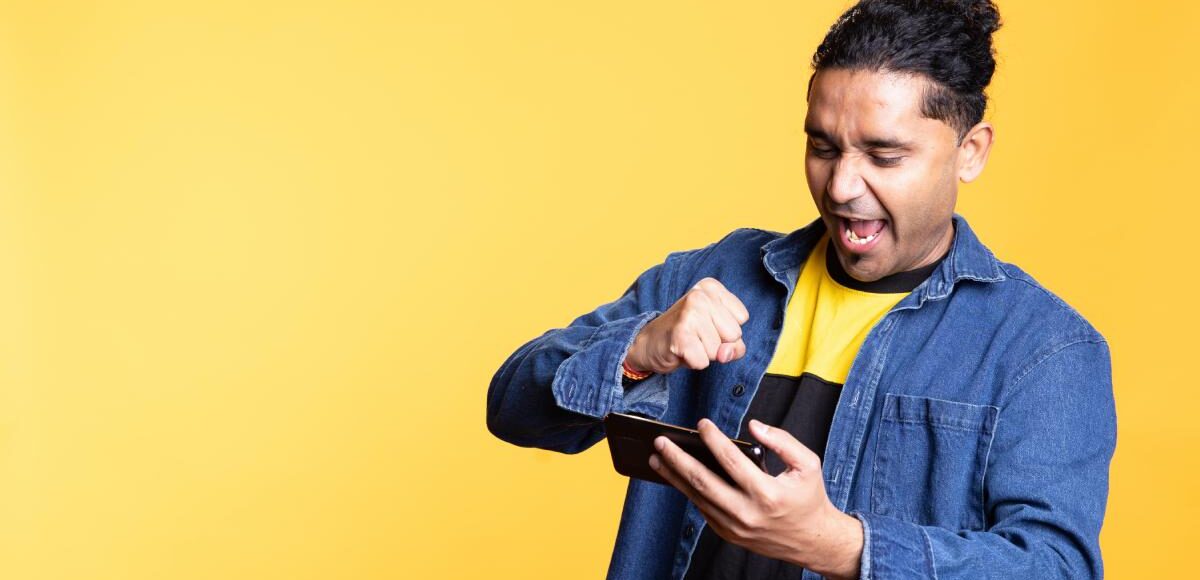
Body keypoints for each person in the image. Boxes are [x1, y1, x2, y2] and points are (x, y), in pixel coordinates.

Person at [486, 0, 1116, 578]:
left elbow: (1057, 566)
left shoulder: (1044, 349)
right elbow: (511, 409)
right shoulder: (718, 273)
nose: (841, 186)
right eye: (823, 146)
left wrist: (839, 545)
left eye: (884, 156)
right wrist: (634, 352)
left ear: (970, 151)